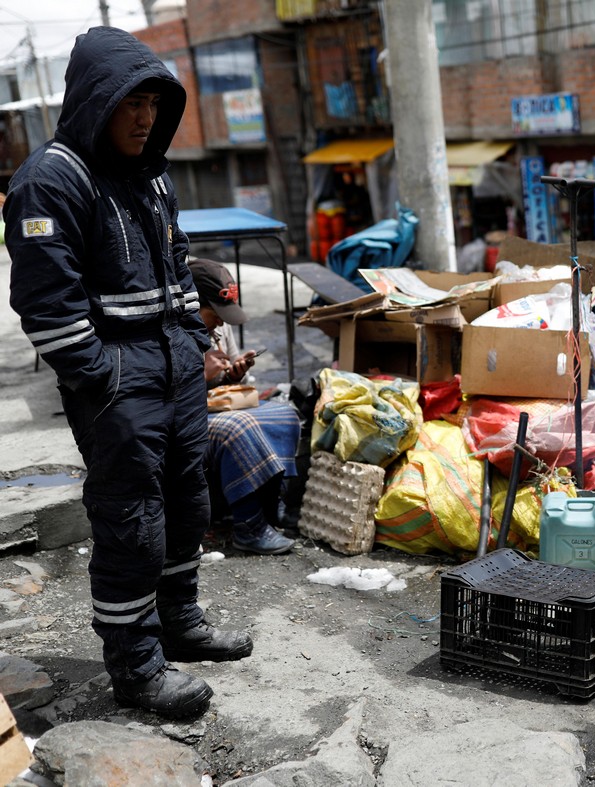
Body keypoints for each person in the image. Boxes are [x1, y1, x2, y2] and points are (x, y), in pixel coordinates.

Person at [4, 27, 251, 719]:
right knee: (131, 522)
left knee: (185, 507)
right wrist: (100, 377)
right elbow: (45, 303)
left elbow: (175, 269)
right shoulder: (51, 179)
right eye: (130, 102)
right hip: (120, 385)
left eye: (153, 102)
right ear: (94, 100)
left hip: (175, 373)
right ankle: (137, 667)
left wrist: (197, 346)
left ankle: (182, 623)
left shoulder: (152, 174)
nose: (144, 117)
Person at [189, 258, 298, 555]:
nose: (222, 322)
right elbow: (161, 395)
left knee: (284, 412)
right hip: (184, 415)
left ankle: (274, 504)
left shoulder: (219, 328)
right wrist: (200, 375)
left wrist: (233, 373)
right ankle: (248, 526)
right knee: (238, 427)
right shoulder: (175, 333)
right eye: (215, 314)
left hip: (213, 403)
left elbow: (225, 381)